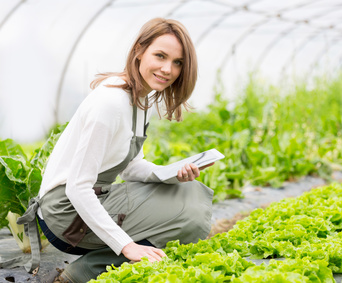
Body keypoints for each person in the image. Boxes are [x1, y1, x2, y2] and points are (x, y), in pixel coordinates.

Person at [15, 18, 214, 283]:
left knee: (189, 194)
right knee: (190, 219)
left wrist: (171, 173)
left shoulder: (138, 99)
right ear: (139, 51)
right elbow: (77, 187)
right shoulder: (110, 103)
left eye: (177, 62)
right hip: (64, 215)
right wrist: (127, 246)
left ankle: (107, 259)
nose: (168, 69)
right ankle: (85, 271)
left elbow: (131, 166)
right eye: (160, 56)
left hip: (91, 199)